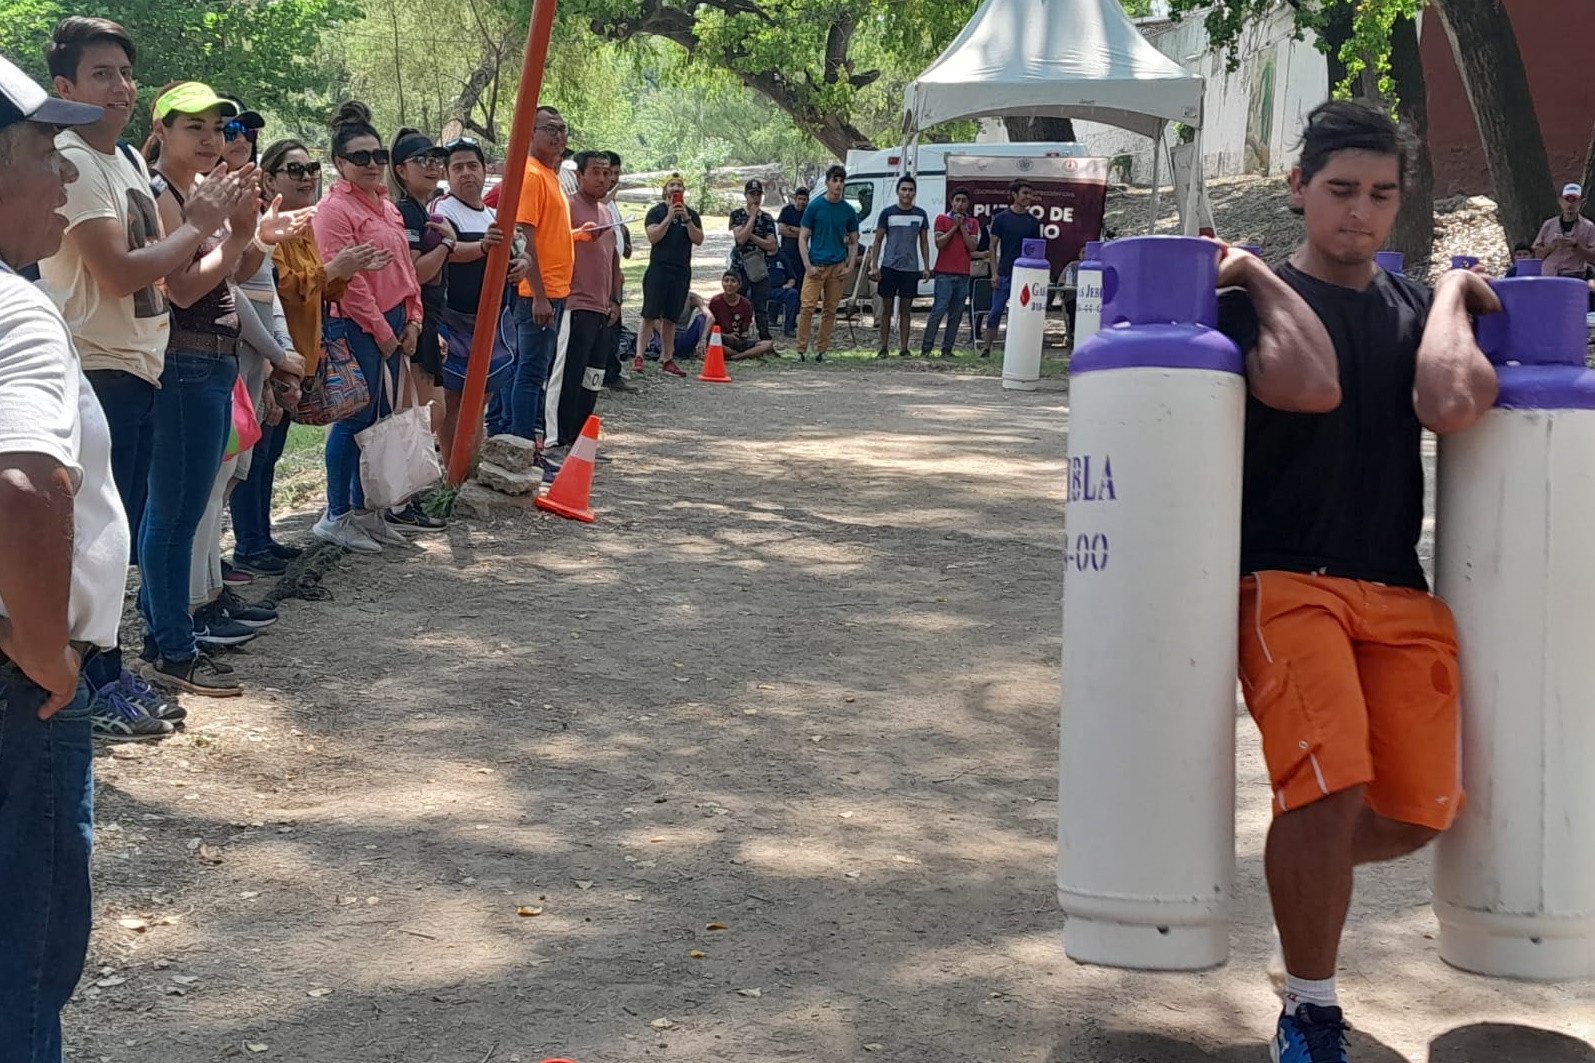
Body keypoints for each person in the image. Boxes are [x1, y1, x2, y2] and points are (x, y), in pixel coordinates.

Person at [1215, 100, 1501, 1063]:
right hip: (1283, 579)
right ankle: (1309, 1007)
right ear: (1298, 188)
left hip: (1395, 587)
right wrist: (1256, 270)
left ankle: (1299, 870)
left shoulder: (1414, 307)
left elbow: (1450, 404)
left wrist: (1451, 294)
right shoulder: (1246, 300)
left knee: (1416, 812)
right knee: (1328, 786)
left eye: (1381, 195)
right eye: (1340, 190)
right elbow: (1309, 386)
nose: (1359, 212)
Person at [0, 53, 137, 1061]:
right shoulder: (16, 311)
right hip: (19, 690)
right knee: (21, 959)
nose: (64, 175)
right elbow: (24, 487)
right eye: (46, 150)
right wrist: (48, 650)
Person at [38, 18, 207, 737]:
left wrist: (228, 231)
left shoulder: (129, 162)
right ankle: (85, 685)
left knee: (116, 532)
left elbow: (171, 280)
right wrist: (199, 226)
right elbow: (116, 272)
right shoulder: (71, 160)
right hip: (94, 367)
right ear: (65, 86)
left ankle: (106, 671)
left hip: (138, 366)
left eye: (126, 74)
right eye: (101, 74)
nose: (121, 87)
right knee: (92, 539)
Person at [139, 82, 298, 698]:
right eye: (195, 128)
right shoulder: (163, 194)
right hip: (184, 363)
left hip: (210, 363)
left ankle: (169, 635)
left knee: (179, 511)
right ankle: (173, 648)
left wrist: (251, 234)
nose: (211, 140)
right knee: (175, 515)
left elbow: (226, 277)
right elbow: (181, 288)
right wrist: (235, 235)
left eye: (219, 129)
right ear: (162, 131)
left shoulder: (195, 192)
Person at [311, 101, 423, 554]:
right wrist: (380, 330)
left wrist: (414, 317)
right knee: (355, 418)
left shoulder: (387, 208)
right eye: (361, 157)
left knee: (381, 418)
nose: (372, 164)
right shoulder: (334, 211)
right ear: (340, 163)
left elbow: (405, 267)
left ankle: (367, 509)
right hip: (358, 325)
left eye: (378, 155)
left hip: (395, 319)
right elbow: (347, 281)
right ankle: (336, 513)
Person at [432, 135, 526, 459]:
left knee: (483, 394)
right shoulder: (441, 210)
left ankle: (470, 461)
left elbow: (519, 249)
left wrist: (523, 264)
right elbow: (446, 251)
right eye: (458, 168)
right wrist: (483, 247)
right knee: (453, 397)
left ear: (485, 170)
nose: (466, 173)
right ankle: (452, 468)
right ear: (447, 174)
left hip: (494, 319)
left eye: (472, 165)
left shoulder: (494, 214)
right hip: (454, 317)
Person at [385, 128, 451, 529]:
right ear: (400, 169)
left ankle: (402, 496)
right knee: (421, 415)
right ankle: (399, 500)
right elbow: (413, 273)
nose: (432, 166)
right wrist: (447, 245)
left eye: (435, 159)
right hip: (414, 320)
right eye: (421, 160)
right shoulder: (407, 211)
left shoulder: (421, 210)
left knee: (428, 413)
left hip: (428, 321)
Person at [545, 150, 622, 457]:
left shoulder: (606, 212)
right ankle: (556, 439)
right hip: (574, 305)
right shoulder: (567, 206)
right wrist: (577, 235)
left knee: (593, 377)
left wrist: (614, 299)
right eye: (596, 172)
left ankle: (580, 439)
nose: (603, 179)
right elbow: (552, 244)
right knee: (567, 374)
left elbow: (613, 259)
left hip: (602, 308)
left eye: (607, 173)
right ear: (579, 175)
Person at [510, 105, 574, 462]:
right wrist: (537, 295)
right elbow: (526, 237)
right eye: (549, 128)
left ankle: (523, 443)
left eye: (562, 128)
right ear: (530, 134)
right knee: (531, 372)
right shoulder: (532, 175)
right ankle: (522, 448)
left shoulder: (551, 175)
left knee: (537, 370)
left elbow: (549, 233)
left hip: (556, 290)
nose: (558, 135)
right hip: (538, 293)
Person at [635, 173, 702, 378]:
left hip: (681, 271)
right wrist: (669, 217)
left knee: (671, 317)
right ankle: (639, 356)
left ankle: (667, 358)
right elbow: (653, 237)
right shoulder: (656, 212)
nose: (676, 188)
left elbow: (698, 239)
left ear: (684, 191)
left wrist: (686, 219)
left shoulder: (691, 214)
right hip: (659, 269)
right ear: (665, 190)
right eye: (671, 185)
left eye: (679, 185)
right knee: (650, 314)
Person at [797, 164, 859, 363]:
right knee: (807, 307)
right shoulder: (815, 206)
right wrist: (807, 265)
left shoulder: (848, 210)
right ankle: (801, 350)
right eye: (835, 180)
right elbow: (803, 237)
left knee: (830, 310)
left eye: (841, 181)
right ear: (827, 182)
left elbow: (854, 241)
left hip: (837, 266)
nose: (838, 184)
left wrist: (850, 266)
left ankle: (822, 351)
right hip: (816, 264)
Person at [866, 175, 930, 358]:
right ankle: (884, 347)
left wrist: (926, 266)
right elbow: (878, 240)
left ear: (915, 193)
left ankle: (904, 347)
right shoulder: (887, 213)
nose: (907, 193)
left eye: (910, 190)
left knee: (906, 310)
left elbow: (924, 242)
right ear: (898, 192)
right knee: (886, 308)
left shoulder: (921, 214)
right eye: (904, 189)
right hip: (889, 266)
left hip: (910, 268)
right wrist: (874, 265)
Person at [979, 179, 1041, 357]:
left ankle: (1017, 349)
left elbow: (1036, 250)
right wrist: (994, 272)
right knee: (995, 311)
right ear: (1014, 195)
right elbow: (992, 246)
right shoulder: (1001, 218)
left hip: (1025, 275)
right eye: (1025, 193)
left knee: (1022, 313)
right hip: (1005, 272)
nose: (1028, 197)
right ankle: (986, 348)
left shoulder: (1033, 222)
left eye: (1030, 194)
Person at [921, 186, 980, 358]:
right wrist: (954, 227)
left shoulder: (973, 223)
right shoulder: (942, 219)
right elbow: (940, 243)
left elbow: (972, 246)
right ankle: (927, 347)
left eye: (963, 201)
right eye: (957, 200)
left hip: (963, 274)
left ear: (968, 204)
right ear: (951, 202)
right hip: (944, 273)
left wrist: (963, 228)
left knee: (956, 314)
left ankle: (947, 349)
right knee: (938, 310)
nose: (960, 204)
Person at [729, 178, 779, 343]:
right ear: (746, 195)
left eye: (758, 194)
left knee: (760, 305)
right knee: (737, 302)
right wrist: (751, 218)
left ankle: (764, 338)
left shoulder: (767, 218)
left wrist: (750, 234)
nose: (756, 198)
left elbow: (772, 245)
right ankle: (736, 336)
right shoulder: (737, 215)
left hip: (759, 267)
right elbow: (740, 239)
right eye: (752, 194)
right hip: (740, 267)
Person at [601, 150, 634, 391]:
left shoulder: (611, 202)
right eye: (608, 173)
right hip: (600, 273)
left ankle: (612, 371)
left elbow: (618, 229)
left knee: (615, 322)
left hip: (615, 269)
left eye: (616, 173)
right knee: (605, 322)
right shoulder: (599, 200)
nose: (612, 178)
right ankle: (603, 373)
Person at [1532, 182, 1595, 280]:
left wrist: (1576, 246)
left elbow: (1593, 258)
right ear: (1560, 201)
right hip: (1549, 275)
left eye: (1574, 200)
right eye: (1567, 200)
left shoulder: (1589, 227)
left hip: (1574, 276)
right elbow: (1535, 255)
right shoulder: (1548, 225)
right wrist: (1551, 246)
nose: (1570, 204)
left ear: (1581, 202)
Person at [709, 271, 777, 360]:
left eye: (733, 281)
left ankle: (735, 356)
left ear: (739, 285)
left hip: (738, 340)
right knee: (712, 346)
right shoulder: (715, 301)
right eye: (726, 281)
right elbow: (709, 328)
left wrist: (743, 335)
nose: (729, 284)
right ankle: (746, 355)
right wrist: (726, 336)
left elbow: (745, 329)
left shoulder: (746, 304)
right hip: (721, 338)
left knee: (768, 344)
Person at [777, 185, 808, 291]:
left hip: (801, 254)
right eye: (800, 199)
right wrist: (801, 233)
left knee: (800, 282)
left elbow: (810, 232)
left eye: (804, 199)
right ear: (795, 199)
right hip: (787, 252)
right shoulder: (786, 211)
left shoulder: (808, 213)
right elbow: (781, 230)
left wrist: (793, 229)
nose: (801, 202)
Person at [766, 252, 800, 336]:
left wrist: (789, 285)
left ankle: (789, 328)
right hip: (761, 290)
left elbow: (791, 277)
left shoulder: (782, 257)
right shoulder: (758, 256)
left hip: (779, 289)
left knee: (793, 293)